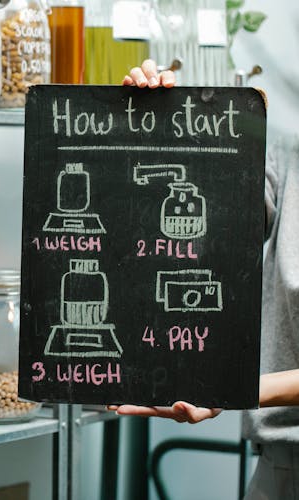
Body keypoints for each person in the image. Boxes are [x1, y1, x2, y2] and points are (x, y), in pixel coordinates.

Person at [111, 59, 299, 499]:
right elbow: (220, 221)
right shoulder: (289, 146)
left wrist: (234, 387)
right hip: (281, 470)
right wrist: (158, 125)